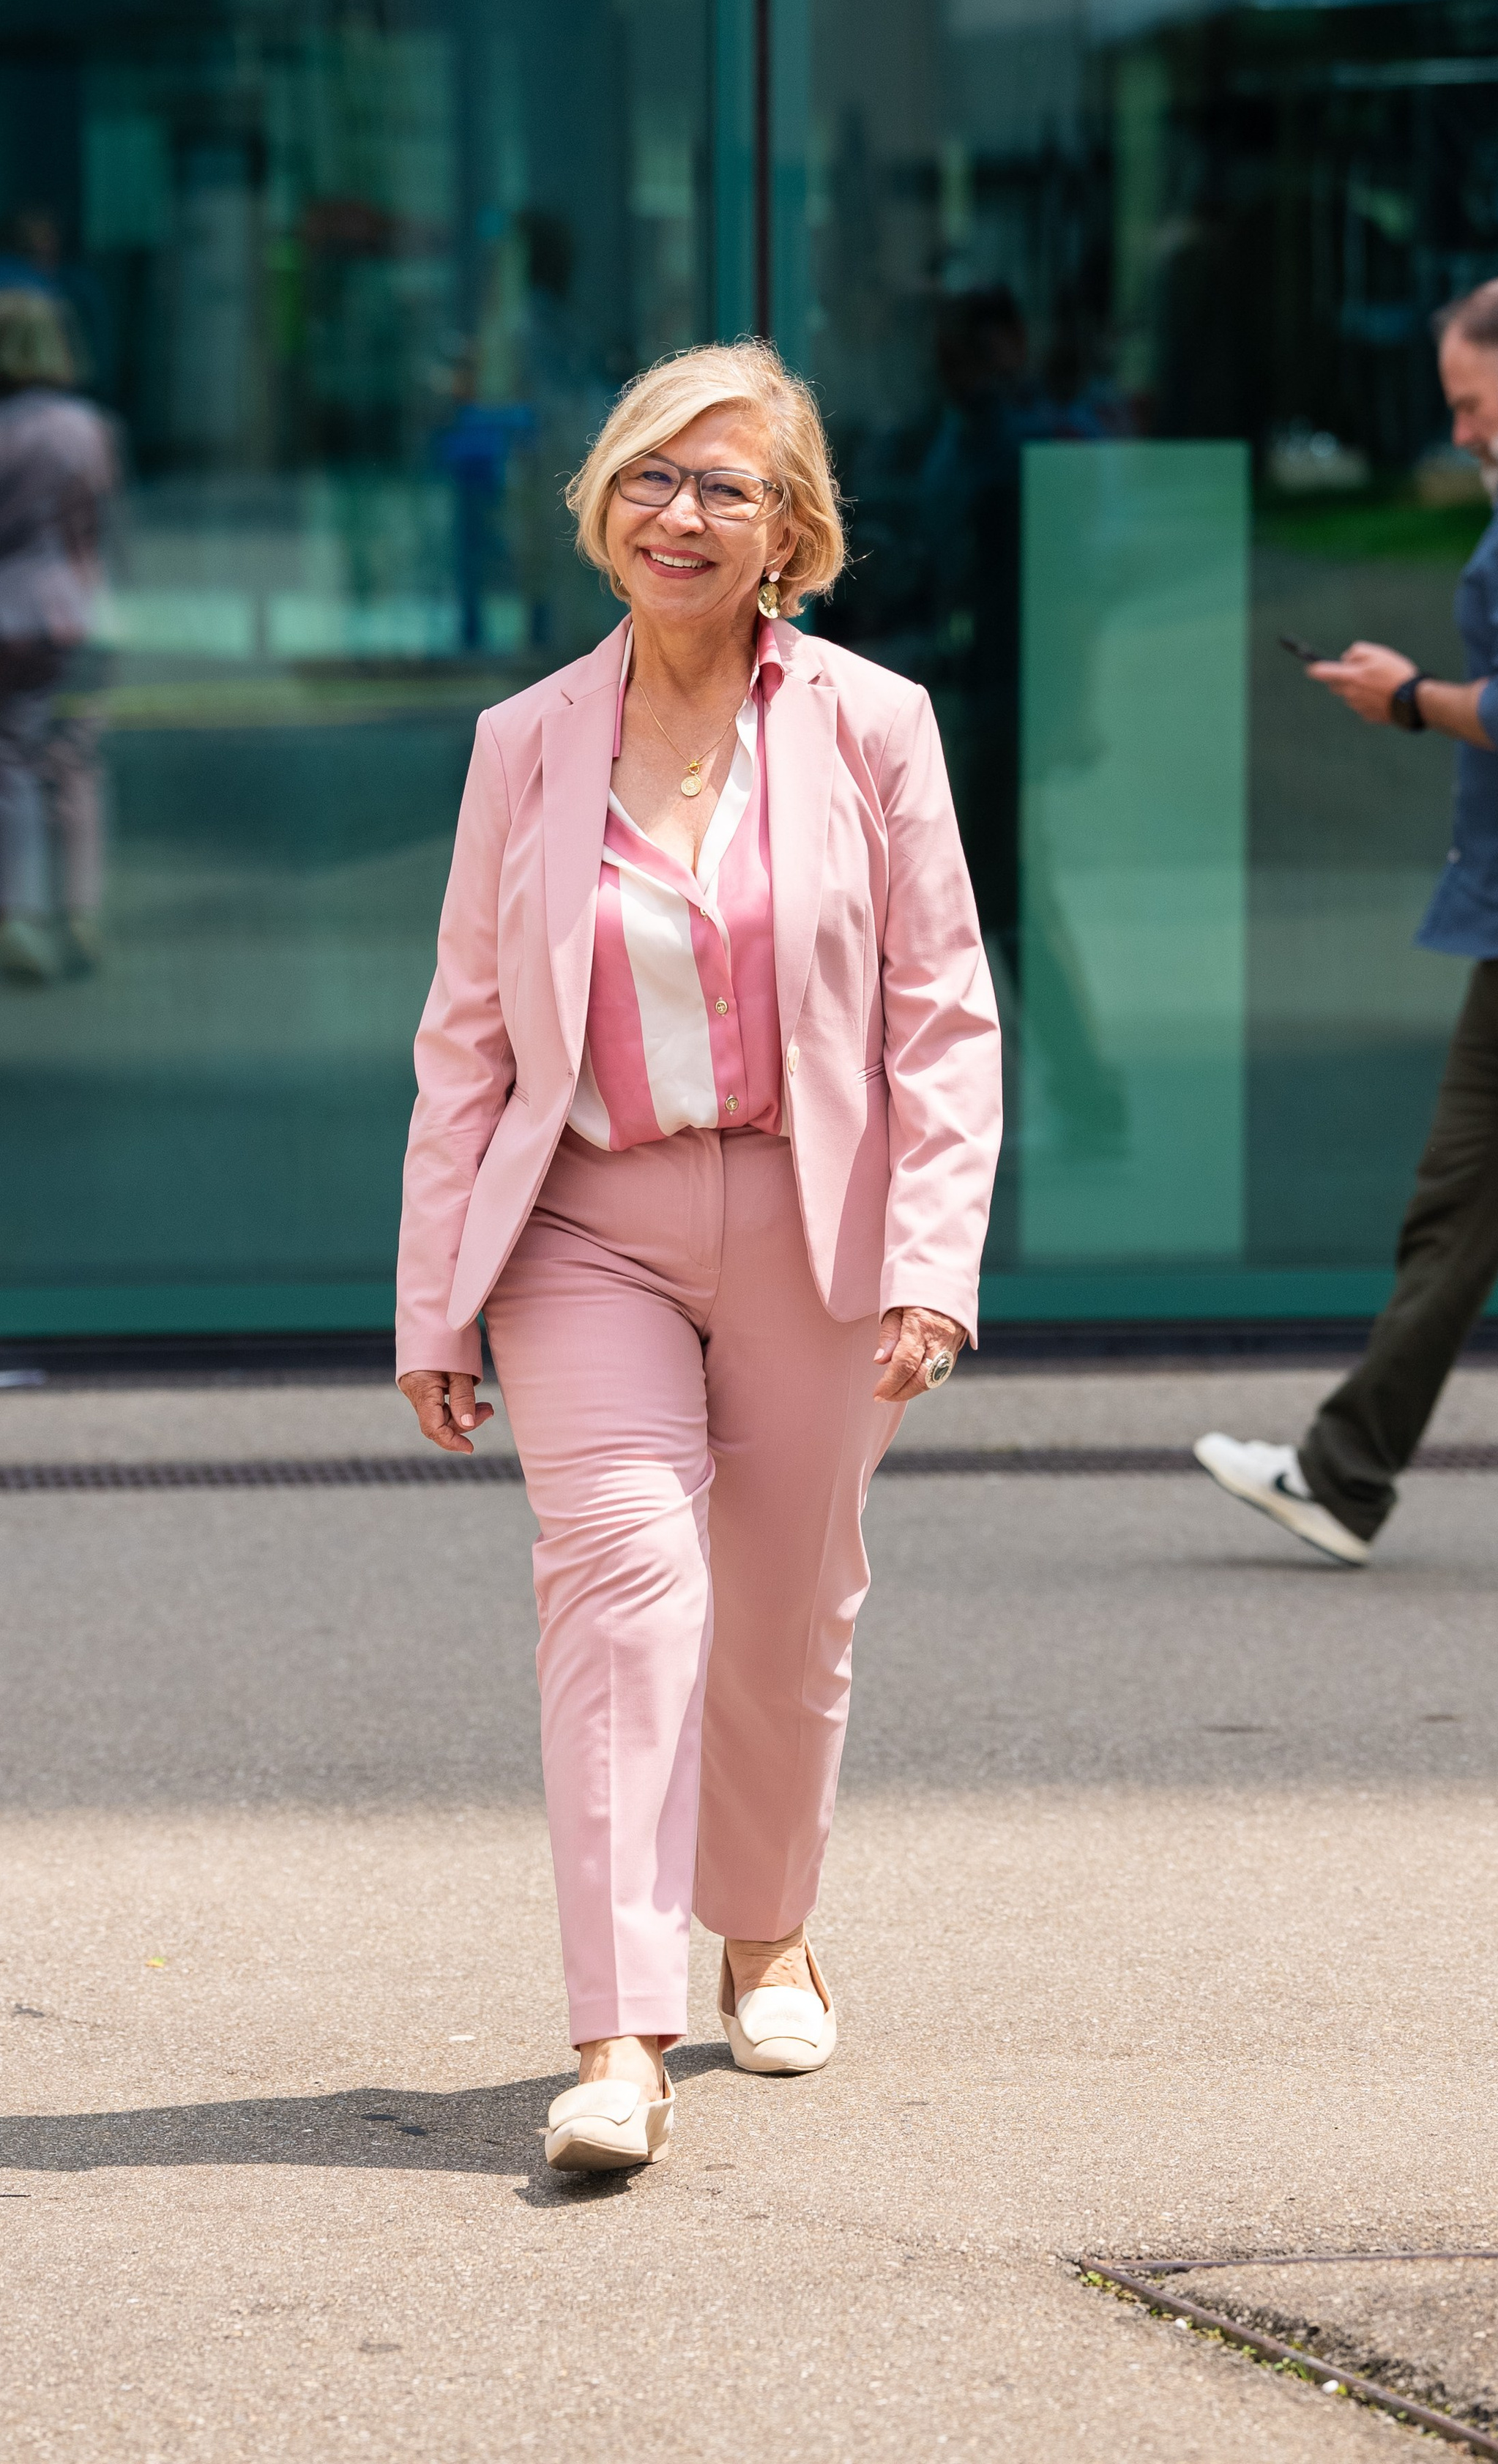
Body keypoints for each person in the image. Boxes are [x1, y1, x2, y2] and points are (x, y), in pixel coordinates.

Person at [395, 340, 1002, 2173]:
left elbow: (940, 1013)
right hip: (586, 1225)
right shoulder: (522, 743)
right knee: (621, 1587)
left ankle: (767, 1922)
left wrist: (931, 1255)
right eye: (650, 477)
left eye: (723, 487)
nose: (679, 512)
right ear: (601, 509)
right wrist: (437, 1291)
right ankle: (617, 2038)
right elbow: (467, 1035)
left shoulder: (871, 724)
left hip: (815, 1224)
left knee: (788, 1605)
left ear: (784, 532)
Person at [1195, 275, 1498, 1598]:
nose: (1463, 432)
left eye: (1471, 406)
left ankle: (1347, 1468)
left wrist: (1407, 697)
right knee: (1458, 1217)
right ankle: (1344, 1476)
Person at [0, 288, 119, 983]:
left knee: (4, 759)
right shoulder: (86, 429)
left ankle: (14, 912)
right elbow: (103, 524)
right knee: (75, 759)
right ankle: (80, 911)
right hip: (79, 608)